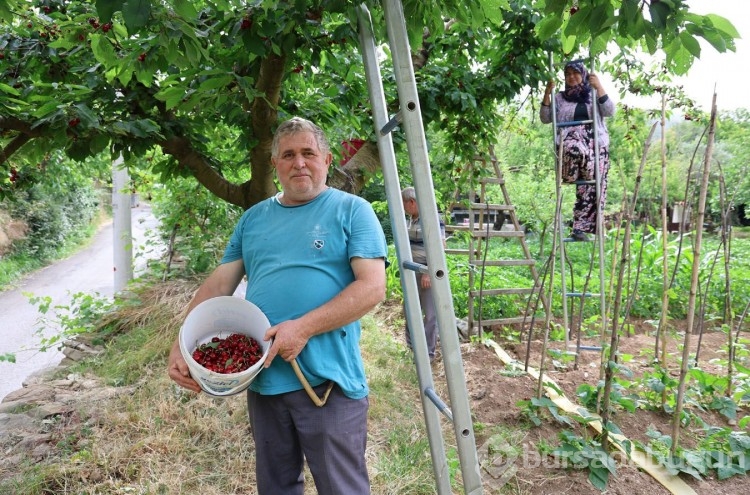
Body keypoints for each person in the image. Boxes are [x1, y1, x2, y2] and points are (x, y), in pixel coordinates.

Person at [168, 117, 388, 495]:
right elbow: (220, 283)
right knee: (276, 487)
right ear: (275, 164)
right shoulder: (252, 219)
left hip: (326, 381)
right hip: (264, 381)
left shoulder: (353, 211)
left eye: (308, 153)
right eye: (288, 155)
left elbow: (371, 288)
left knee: (342, 488)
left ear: (327, 160)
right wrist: (181, 342)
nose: (298, 162)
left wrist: (301, 328)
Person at [540, 59, 616, 241]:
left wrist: (599, 87)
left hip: (595, 146)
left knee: (590, 189)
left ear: (583, 74)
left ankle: (580, 229)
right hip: (571, 146)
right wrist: (547, 94)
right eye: (568, 74)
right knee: (575, 152)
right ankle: (576, 167)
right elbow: (545, 118)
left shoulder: (593, 94)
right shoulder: (559, 98)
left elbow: (609, 111)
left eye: (575, 73)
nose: (572, 77)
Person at [401, 186, 446, 363]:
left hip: (425, 271)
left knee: (430, 313)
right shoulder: (409, 219)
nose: (403, 208)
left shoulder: (431, 218)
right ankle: (412, 349)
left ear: (412, 202)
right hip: (410, 270)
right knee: (409, 309)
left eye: (405, 204)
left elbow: (439, 247)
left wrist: (429, 270)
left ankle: (428, 354)